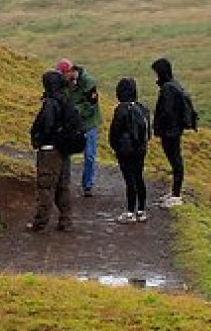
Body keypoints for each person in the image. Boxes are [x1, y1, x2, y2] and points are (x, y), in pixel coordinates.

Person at [27, 70, 80, 232]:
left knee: (46, 186)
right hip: (64, 150)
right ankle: (66, 221)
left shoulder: (50, 103)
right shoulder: (65, 100)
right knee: (63, 186)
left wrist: (39, 138)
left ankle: (40, 222)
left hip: (49, 151)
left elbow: (47, 127)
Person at [152, 57, 194, 207]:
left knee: (175, 160)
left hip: (170, 132)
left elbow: (167, 112)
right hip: (174, 130)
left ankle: (176, 195)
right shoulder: (174, 85)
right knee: (175, 160)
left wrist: (160, 129)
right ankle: (175, 192)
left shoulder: (168, 88)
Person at [108, 77, 151, 223]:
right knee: (139, 177)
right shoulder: (143, 108)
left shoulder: (121, 109)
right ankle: (141, 210)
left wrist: (115, 146)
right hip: (140, 149)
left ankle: (130, 212)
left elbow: (115, 131)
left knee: (129, 180)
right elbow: (147, 132)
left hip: (125, 151)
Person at [57, 58, 102, 196]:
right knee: (65, 153)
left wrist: (75, 110)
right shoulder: (63, 83)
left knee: (89, 155)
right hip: (72, 123)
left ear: (70, 71)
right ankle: (64, 183)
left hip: (88, 123)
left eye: (63, 74)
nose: (62, 77)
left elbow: (91, 105)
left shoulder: (89, 82)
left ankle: (87, 185)